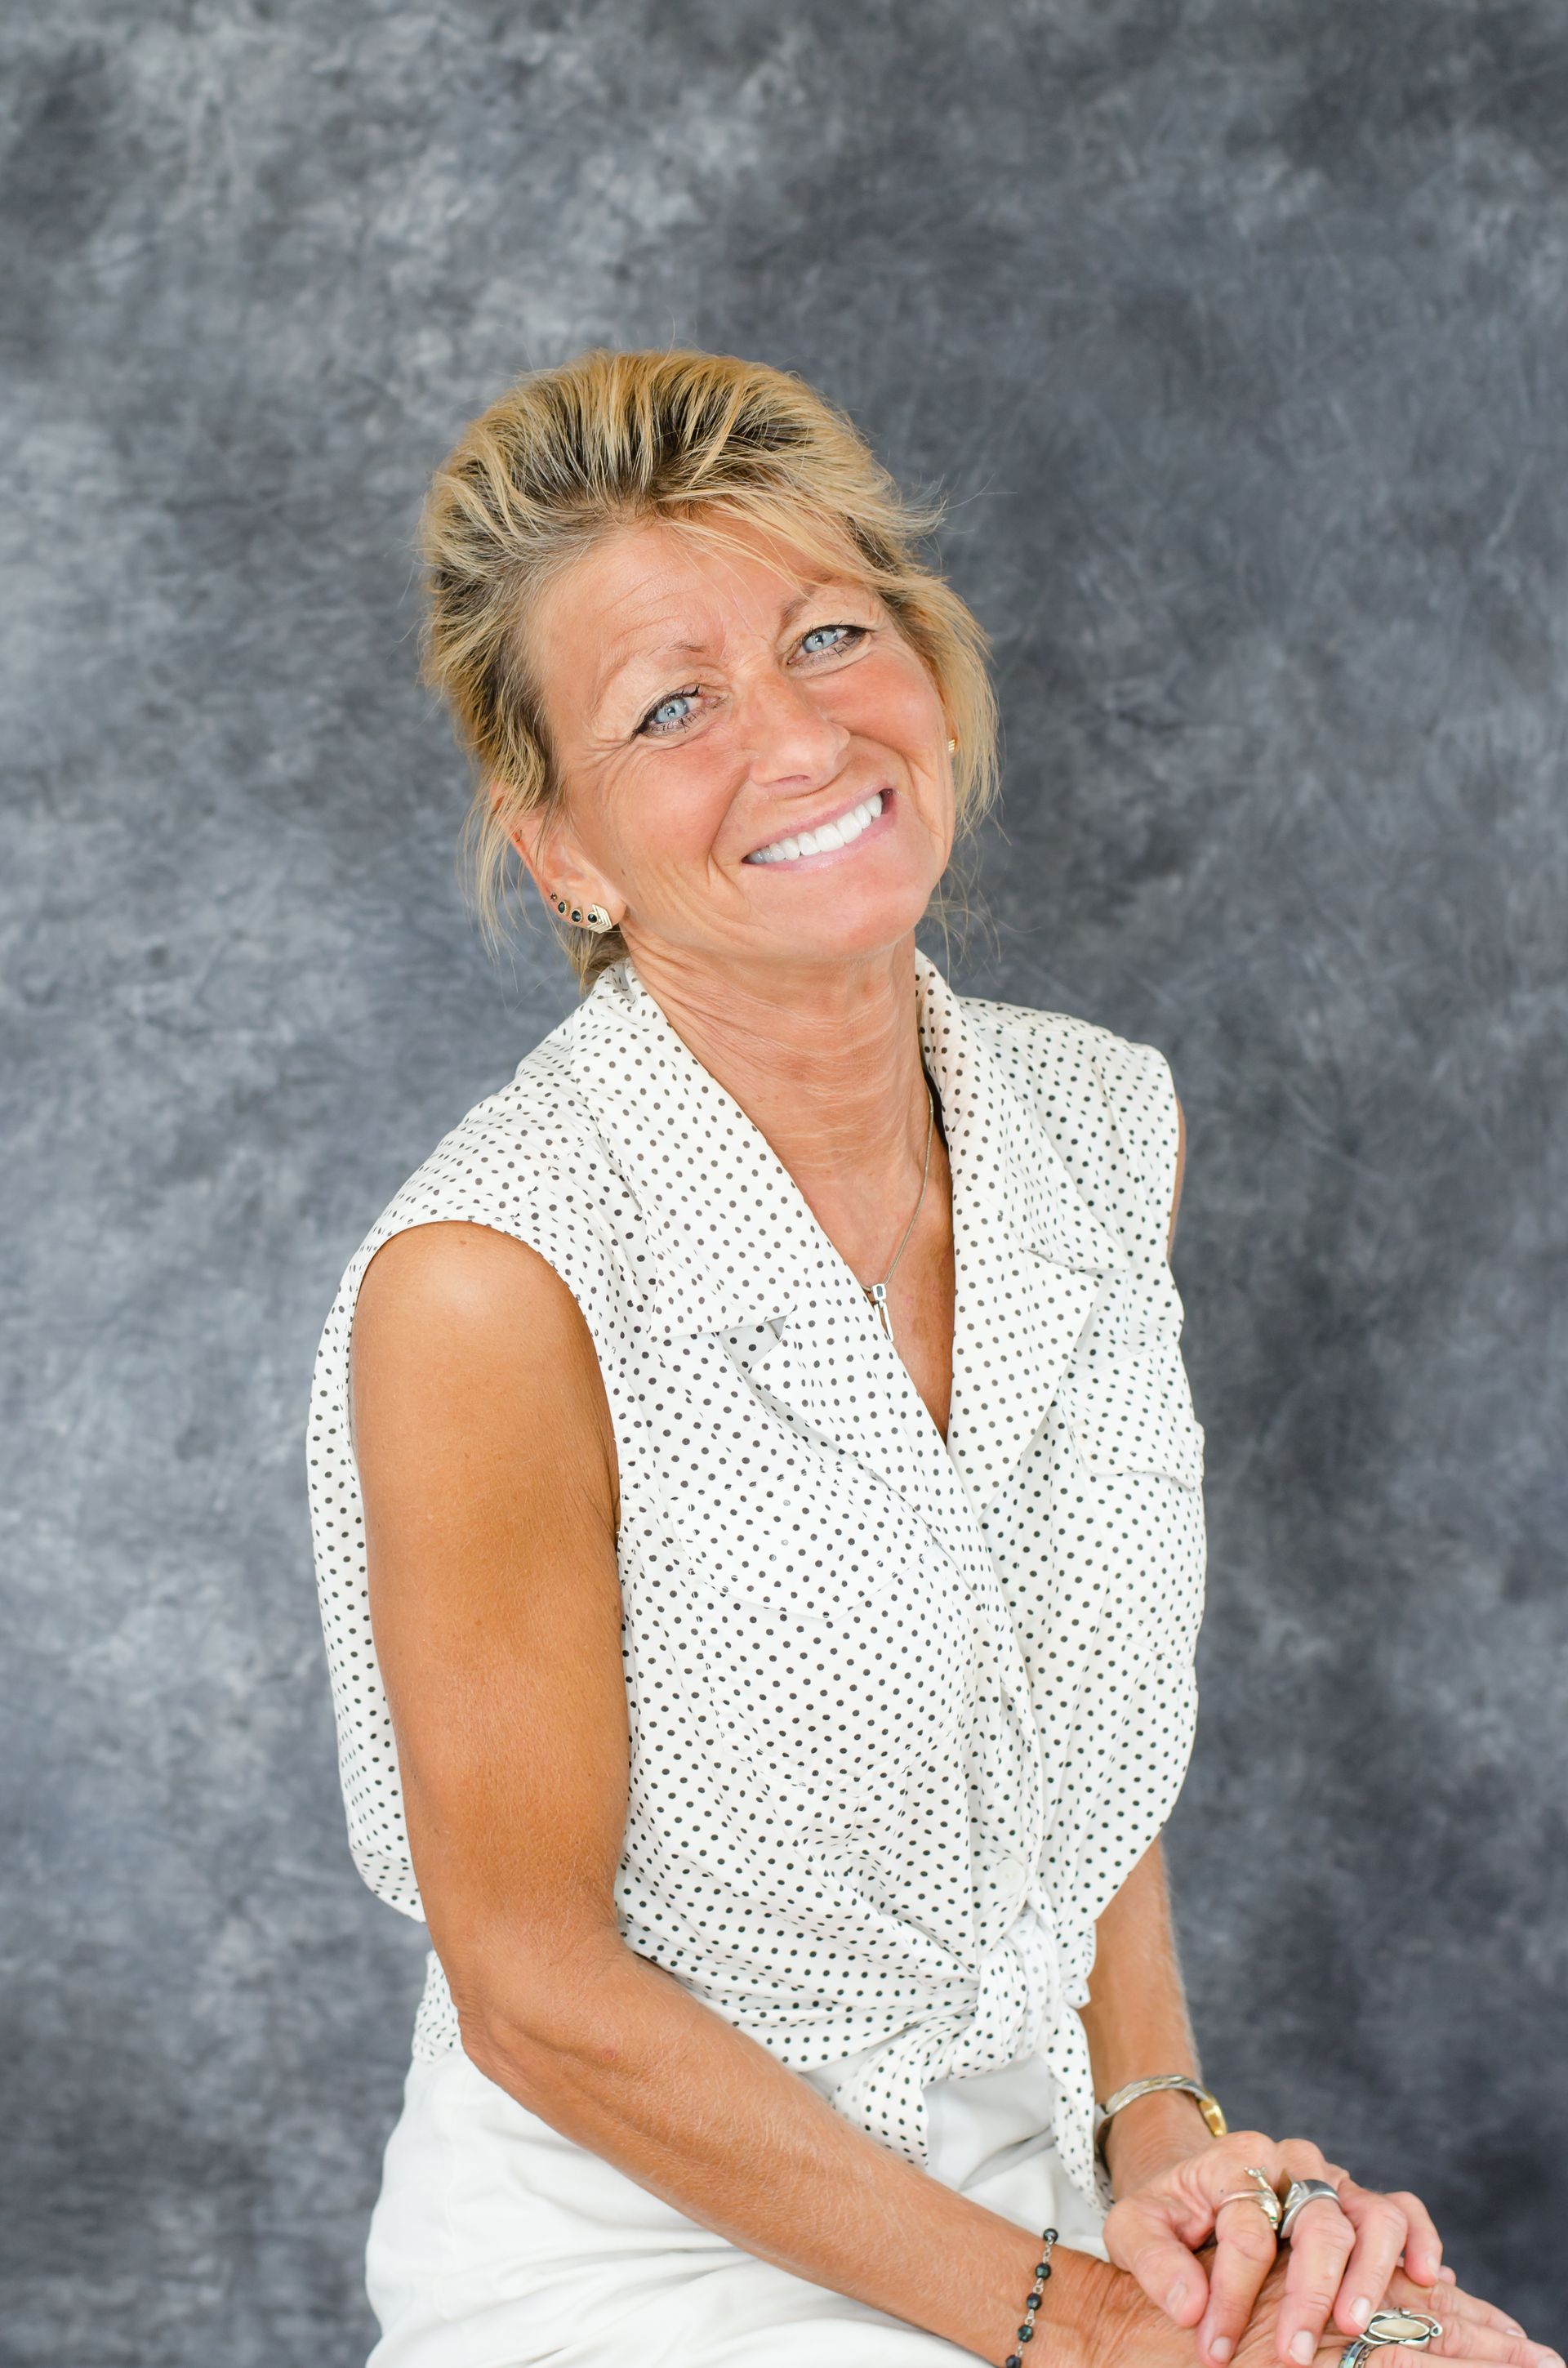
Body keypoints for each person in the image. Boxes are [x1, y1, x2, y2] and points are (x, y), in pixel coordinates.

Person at [305, 349, 1552, 2368]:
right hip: (646, 2270)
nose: (801, 736)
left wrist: (1171, 2151)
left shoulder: (1099, 1128)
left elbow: (1059, 1729)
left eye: (829, 635)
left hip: (1042, 2213)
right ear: (565, 853)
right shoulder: (489, 1281)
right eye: (675, 707)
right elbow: (536, 1991)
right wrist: (1090, 2334)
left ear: (928, 671)